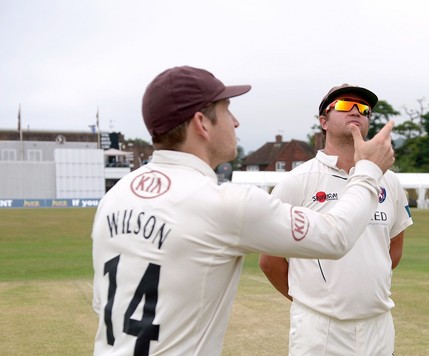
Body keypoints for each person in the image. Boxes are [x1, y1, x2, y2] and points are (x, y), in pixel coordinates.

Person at [91, 67, 396, 356]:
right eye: (227, 111)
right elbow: (335, 237)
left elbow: (102, 302)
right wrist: (368, 171)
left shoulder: (115, 197)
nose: (235, 123)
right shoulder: (226, 203)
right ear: (202, 123)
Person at [259, 84, 414, 355]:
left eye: (363, 109)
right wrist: (311, 302)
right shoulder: (297, 181)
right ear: (324, 122)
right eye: (344, 105)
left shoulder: (389, 180)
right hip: (319, 327)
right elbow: (270, 261)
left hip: (378, 323)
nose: (356, 110)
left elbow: (393, 249)